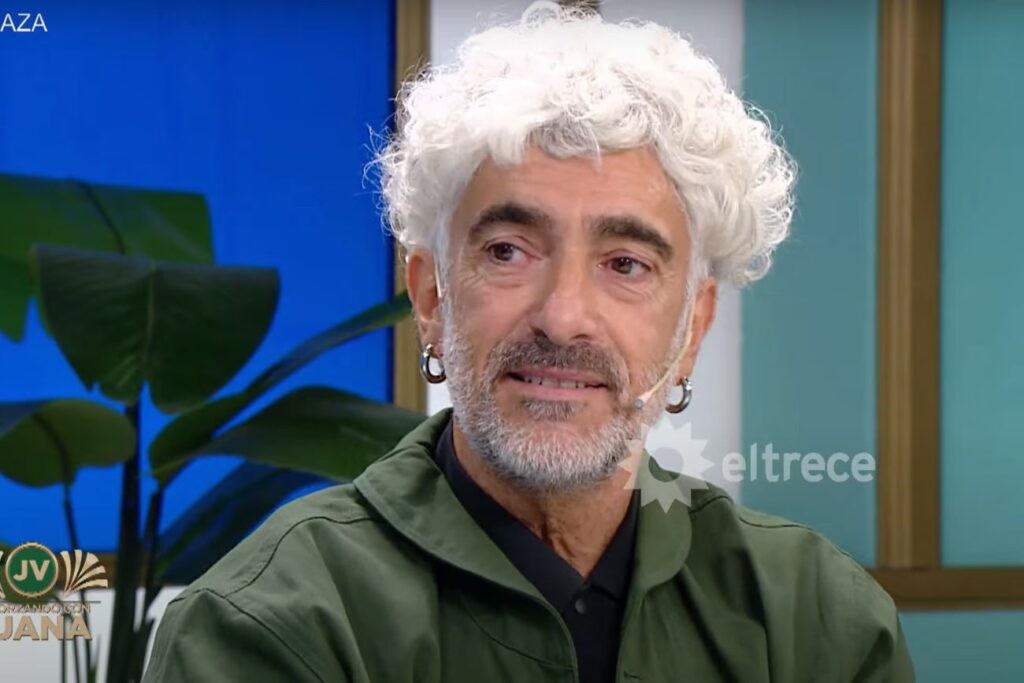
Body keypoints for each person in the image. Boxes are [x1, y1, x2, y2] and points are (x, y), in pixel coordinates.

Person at [143, 3, 915, 681]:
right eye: (508, 250)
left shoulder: (817, 618)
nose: (563, 315)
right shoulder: (274, 623)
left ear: (693, 327)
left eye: (625, 263)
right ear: (432, 297)